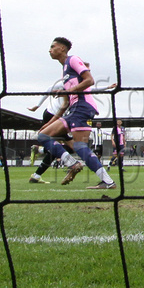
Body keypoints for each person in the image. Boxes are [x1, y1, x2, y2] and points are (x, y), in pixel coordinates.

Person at [36, 37, 116, 189]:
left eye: (53, 46)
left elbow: (90, 80)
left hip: (82, 107)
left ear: (62, 49)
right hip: (74, 110)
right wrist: (48, 123)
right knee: (43, 135)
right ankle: (73, 164)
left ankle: (106, 181)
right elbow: (65, 104)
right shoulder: (65, 73)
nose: (50, 49)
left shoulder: (73, 59)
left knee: (80, 146)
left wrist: (68, 90)